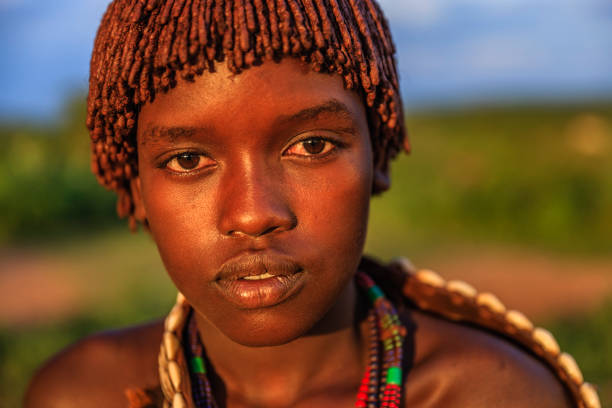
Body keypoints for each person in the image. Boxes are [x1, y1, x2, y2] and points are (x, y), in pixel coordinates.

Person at [25, 1, 600, 407]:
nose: (252, 214)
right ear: (135, 188)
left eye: (313, 145)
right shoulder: (79, 396)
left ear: (379, 153)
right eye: (186, 160)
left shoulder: (496, 395)